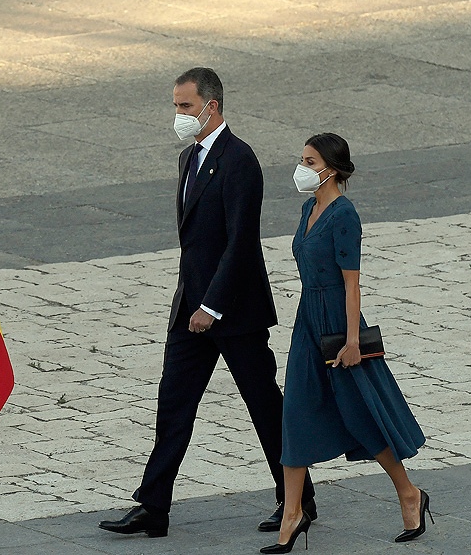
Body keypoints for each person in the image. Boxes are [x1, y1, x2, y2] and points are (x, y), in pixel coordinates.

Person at [98, 67, 316, 538]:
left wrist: (212, 306)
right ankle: (153, 506)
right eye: (176, 106)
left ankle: (298, 498)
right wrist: (190, 303)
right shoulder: (188, 160)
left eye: (185, 107)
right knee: (172, 403)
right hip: (190, 309)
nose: (178, 115)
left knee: (263, 405)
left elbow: (241, 243)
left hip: (233, 311)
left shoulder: (240, 161)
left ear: (210, 107)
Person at [260, 133, 429, 554]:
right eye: (302, 158)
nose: (302, 167)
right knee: (295, 412)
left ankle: (409, 493)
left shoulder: (344, 215)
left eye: (310, 160)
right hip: (307, 322)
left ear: (330, 168)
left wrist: (352, 341)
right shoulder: (308, 208)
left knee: (362, 413)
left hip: (338, 323)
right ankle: (292, 513)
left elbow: (352, 284)